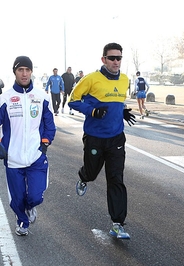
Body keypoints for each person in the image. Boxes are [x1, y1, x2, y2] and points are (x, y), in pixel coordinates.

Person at [0, 56, 56, 236]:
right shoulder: (5, 99)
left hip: (36, 157)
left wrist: (45, 144)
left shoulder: (42, 97)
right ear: (14, 72)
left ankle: (30, 208)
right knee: (17, 200)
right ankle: (22, 221)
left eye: (27, 70)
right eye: (20, 70)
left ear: (31, 72)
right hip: (13, 158)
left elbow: (50, 125)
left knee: (35, 196)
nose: (24, 73)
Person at [68, 42, 136, 240]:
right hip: (95, 138)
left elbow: (116, 100)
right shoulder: (90, 79)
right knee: (92, 172)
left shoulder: (124, 80)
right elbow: (73, 100)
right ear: (103, 59)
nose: (116, 61)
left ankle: (117, 223)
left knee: (116, 179)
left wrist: (121, 111)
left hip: (116, 138)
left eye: (119, 58)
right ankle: (83, 177)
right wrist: (93, 111)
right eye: (112, 58)